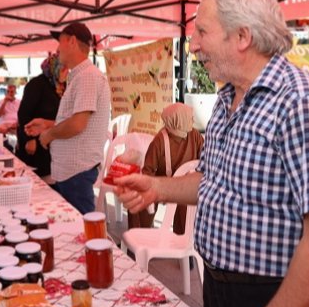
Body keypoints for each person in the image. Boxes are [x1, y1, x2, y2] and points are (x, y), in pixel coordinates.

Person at [115, 0, 309, 307]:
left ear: (242, 36)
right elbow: (216, 182)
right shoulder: (229, 97)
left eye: (202, 32)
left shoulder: (302, 105)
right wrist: (156, 188)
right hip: (221, 294)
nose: (193, 45)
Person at [25, 23, 110, 214]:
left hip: (77, 172)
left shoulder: (87, 76)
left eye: (60, 41)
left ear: (72, 41)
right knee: (78, 230)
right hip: (73, 172)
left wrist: (48, 135)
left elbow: (78, 124)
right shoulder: (80, 76)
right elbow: (78, 121)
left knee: (84, 230)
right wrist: (46, 124)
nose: (57, 48)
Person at [127, 102, 204, 233]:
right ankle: (139, 235)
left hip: (185, 184)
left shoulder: (194, 135)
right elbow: (148, 170)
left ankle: (183, 240)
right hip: (163, 181)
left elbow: (203, 160)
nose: (193, 120)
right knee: (139, 199)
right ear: (178, 120)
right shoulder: (160, 140)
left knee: (185, 205)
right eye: (190, 118)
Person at [16, 53, 67, 180]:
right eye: (64, 69)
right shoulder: (36, 84)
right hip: (34, 143)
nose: (67, 72)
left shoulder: (60, 86)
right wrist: (29, 139)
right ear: (55, 68)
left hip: (52, 142)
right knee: (36, 180)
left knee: (50, 180)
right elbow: (23, 113)